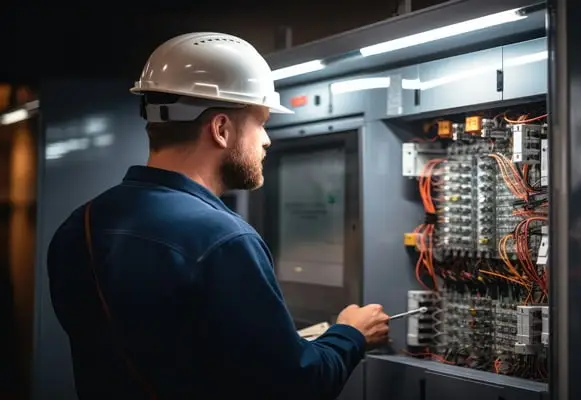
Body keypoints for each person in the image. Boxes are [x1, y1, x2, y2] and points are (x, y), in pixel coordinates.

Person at [47, 32, 390, 400]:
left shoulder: (78, 226)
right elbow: (297, 386)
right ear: (221, 129)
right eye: (261, 122)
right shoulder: (223, 240)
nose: (267, 140)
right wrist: (350, 335)